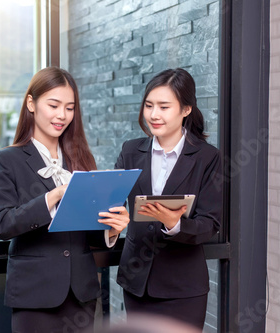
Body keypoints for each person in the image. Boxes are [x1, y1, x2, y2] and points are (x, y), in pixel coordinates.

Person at [0, 66, 129, 333]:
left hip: (81, 293)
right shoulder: (7, 160)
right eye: (54, 105)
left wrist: (111, 228)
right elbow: (3, 224)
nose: (62, 115)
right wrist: (53, 195)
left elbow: (88, 232)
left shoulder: (82, 159)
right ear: (31, 103)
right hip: (35, 295)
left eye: (69, 108)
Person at [115, 68, 222, 330]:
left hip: (183, 289)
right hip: (137, 283)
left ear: (186, 110)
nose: (153, 114)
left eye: (164, 107)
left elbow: (210, 223)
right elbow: (112, 203)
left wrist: (175, 224)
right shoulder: (130, 151)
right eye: (149, 105)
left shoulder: (207, 158)